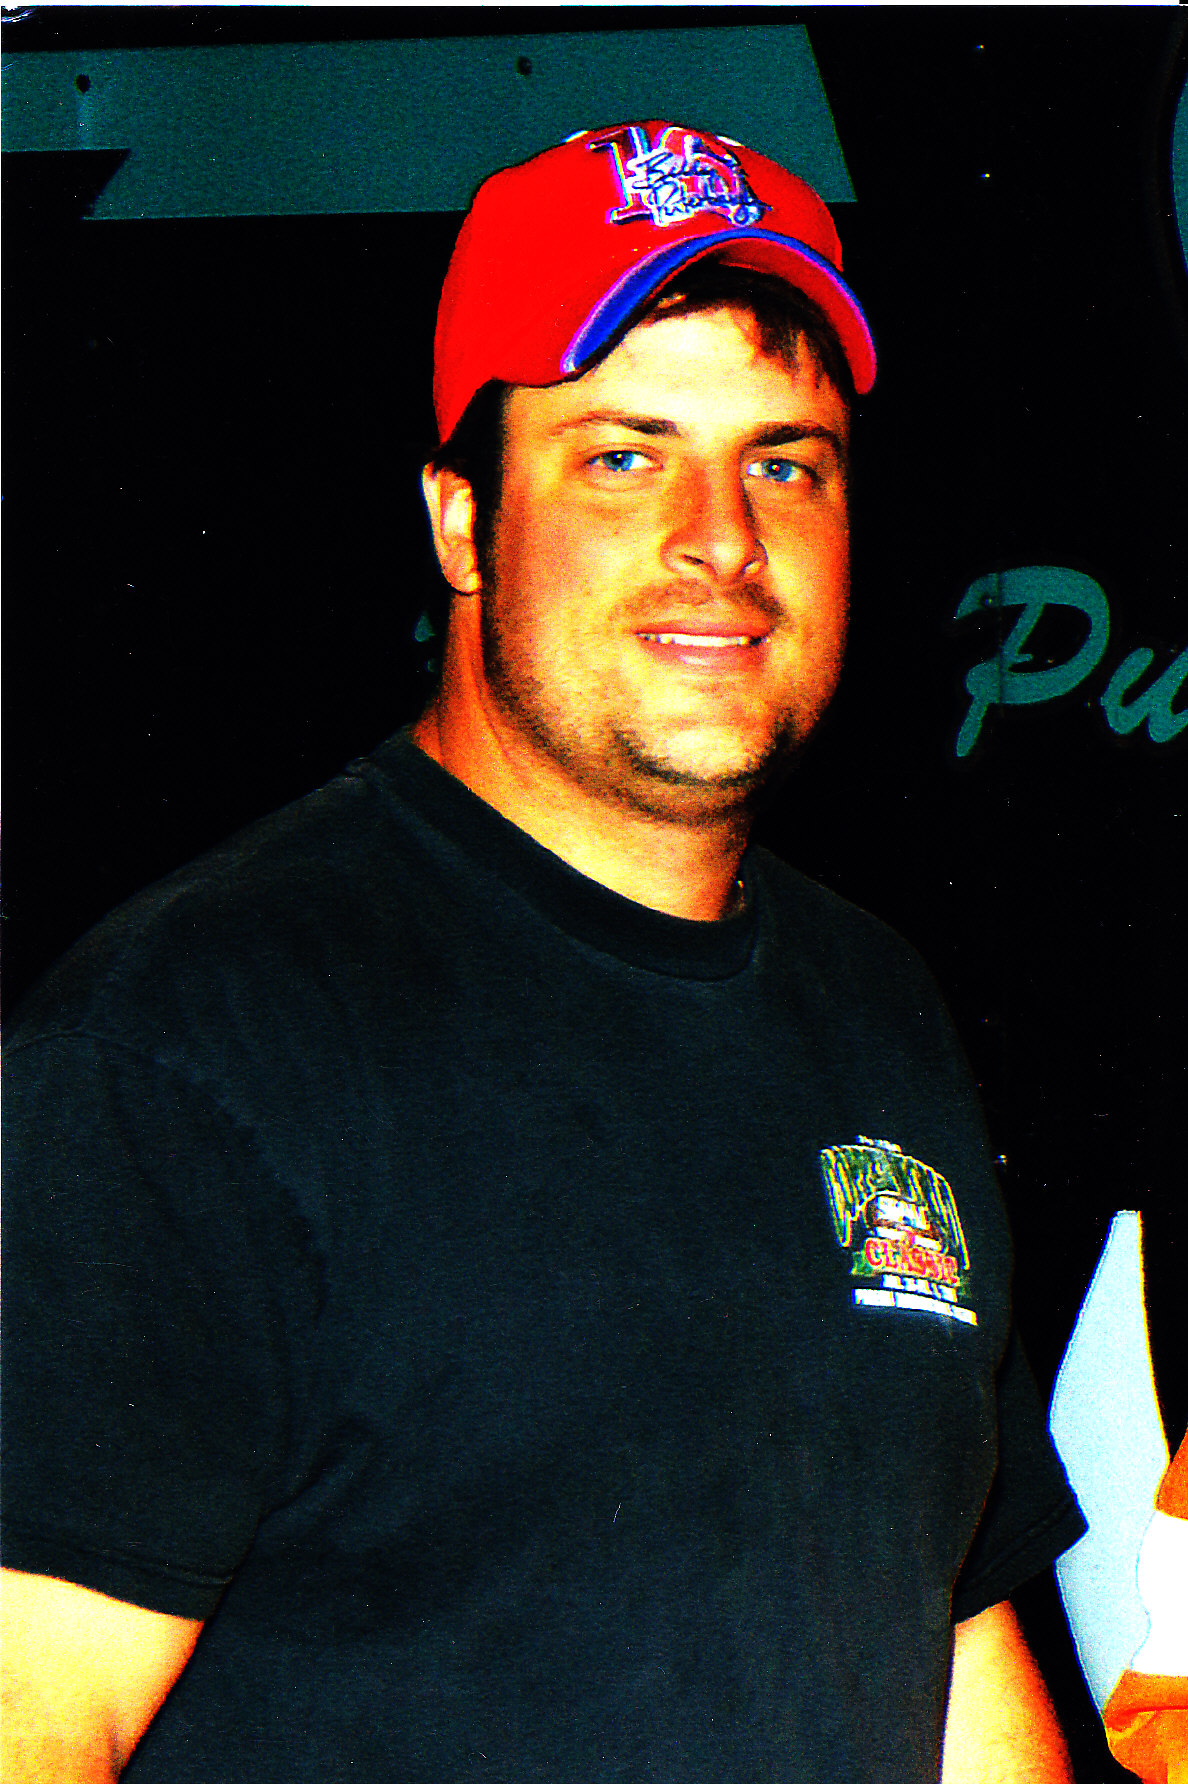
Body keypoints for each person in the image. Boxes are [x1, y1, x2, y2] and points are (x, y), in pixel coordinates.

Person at [2, 120, 1086, 1782]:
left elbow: (948, 1646)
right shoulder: (191, 1039)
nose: (723, 538)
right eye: (624, 457)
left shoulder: (877, 1006)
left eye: (788, 463)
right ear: (461, 524)